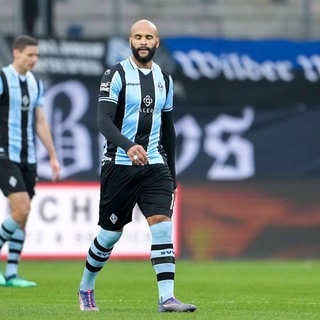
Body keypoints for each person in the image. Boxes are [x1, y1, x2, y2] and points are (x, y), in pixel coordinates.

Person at [78, 19, 196, 313]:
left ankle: (166, 298)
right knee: (109, 235)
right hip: (119, 166)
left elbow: (168, 130)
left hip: (156, 167)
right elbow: (103, 121)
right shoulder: (115, 74)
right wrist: (128, 146)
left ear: (157, 42)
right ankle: (86, 286)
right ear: (130, 41)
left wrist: (174, 177)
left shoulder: (164, 80)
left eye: (149, 37)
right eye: (138, 37)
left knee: (161, 226)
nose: (143, 42)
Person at [0, 35, 61, 287]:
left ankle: (12, 273)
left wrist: (53, 156)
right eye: (29, 55)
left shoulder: (36, 83)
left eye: (36, 55)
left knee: (23, 216)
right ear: (16, 53)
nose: (34, 60)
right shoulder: (3, 79)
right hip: (4, 153)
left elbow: (40, 121)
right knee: (21, 208)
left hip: (29, 157)